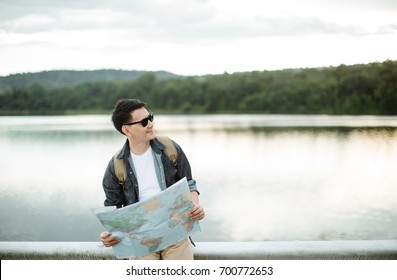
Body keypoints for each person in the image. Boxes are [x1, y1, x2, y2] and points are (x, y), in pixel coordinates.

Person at [99, 98, 204, 260]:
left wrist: (195, 206)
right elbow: (113, 209)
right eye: (143, 122)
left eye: (150, 118)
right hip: (140, 242)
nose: (150, 124)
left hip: (176, 233)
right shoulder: (115, 166)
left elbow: (189, 183)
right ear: (126, 130)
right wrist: (109, 235)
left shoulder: (170, 148)